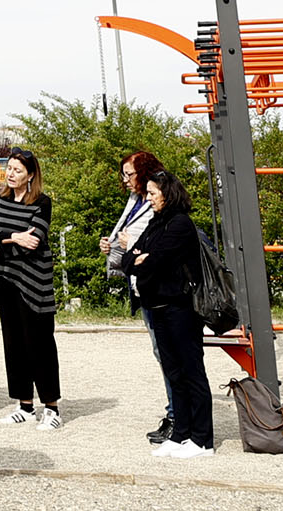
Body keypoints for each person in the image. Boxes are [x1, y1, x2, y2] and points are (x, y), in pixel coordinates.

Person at [132, 169, 214, 459]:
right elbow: (130, 258)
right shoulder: (155, 222)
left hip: (180, 308)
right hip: (157, 307)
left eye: (152, 193)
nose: (149, 198)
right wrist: (139, 259)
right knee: (174, 373)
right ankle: (181, 434)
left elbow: (155, 262)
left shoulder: (180, 223)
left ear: (167, 194)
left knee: (191, 371)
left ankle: (203, 440)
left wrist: (144, 259)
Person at [0, 147, 60, 430]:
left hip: (33, 284)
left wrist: (2, 240)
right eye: (9, 168)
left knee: (40, 345)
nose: (11, 174)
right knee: (14, 346)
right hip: (6, 281)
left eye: (17, 170)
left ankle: (51, 407)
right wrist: (14, 236)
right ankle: (25, 404)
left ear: (30, 175)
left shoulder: (41, 202)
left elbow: (34, 241)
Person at [100, 150, 169, 442]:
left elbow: (153, 244)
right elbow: (130, 239)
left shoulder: (160, 204)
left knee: (168, 353)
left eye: (129, 174)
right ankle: (175, 412)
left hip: (159, 286)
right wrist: (114, 247)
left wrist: (128, 245)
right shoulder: (134, 200)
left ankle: (177, 415)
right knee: (161, 351)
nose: (125, 180)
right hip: (141, 285)